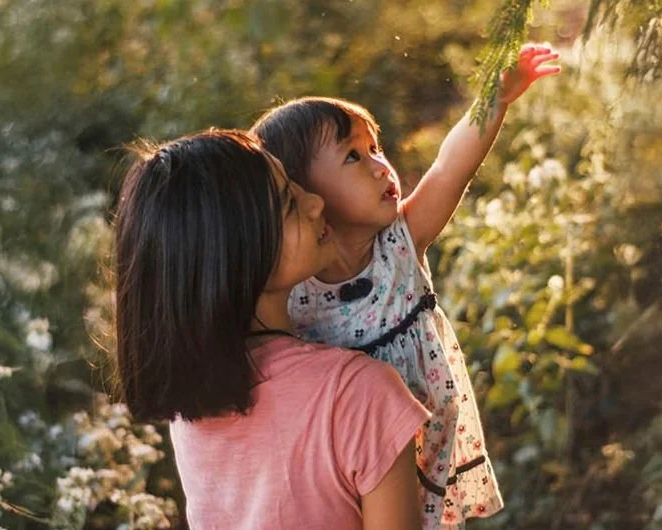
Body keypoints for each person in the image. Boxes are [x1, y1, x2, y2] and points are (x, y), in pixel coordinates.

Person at [251, 44, 560, 528]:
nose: (380, 166)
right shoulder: (290, 286)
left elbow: (448, 168)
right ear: (302, 193)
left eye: (376, 148)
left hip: (424, 442)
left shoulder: (401, 241)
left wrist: (495, 101)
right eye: (353, 156)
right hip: (347, 459)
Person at [112, 129, 430, 530]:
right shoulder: (357, 393)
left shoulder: (193, 405)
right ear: (235, 253)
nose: (317, 203)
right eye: (289, 204)